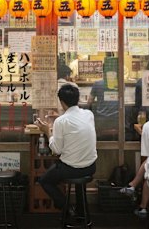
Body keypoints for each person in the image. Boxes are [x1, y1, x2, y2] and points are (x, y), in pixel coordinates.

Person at [36, 84, 97, 215]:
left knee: (45, 181)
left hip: (71, 169)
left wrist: (47, 132)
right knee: (78, 172)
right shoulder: (89, 114)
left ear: (62, 102)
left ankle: (67, 208)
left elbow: (56, 150)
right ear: (77, 99)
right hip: (91, 166)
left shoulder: (61, 121)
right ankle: (82, 212)